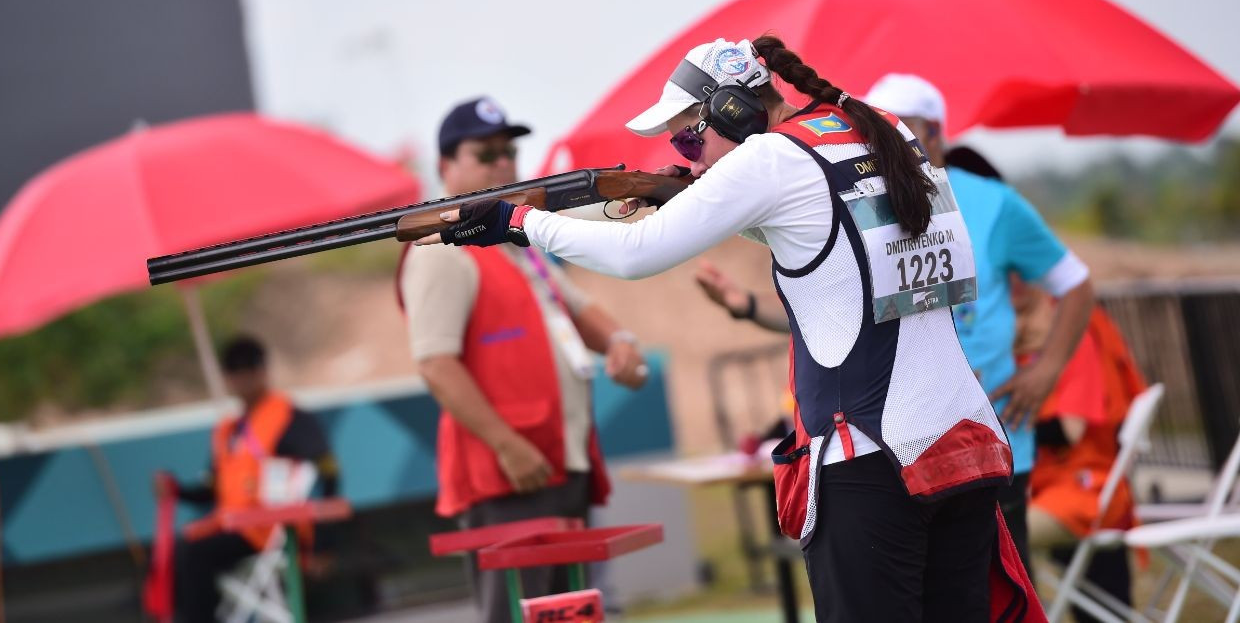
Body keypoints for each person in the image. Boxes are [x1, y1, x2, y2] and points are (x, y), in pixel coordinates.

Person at [421, 39, 1043, 622]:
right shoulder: (874, 129)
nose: (690, 158)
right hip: (963, 441)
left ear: (732, 112)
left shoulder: (772, 157)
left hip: (870, 458)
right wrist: (681, 196)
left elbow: (635, 254)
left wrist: (517, 222)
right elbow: (822, 232)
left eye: (689, 141)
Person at [396, 97, 649, 623]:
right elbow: (436, 364)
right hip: (511, 474)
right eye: (485, 154)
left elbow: (575, 308)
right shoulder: (439, 249)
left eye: (508, 152)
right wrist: (508, 447)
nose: (502, 163)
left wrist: (620, 340)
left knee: (569, 610)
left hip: (557, 463)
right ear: (445, 166)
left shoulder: (515, 237)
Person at [863, 75, 1096, 570]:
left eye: (901, 128)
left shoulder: (993, 203)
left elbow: (1075, 283)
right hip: (902, 442)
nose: (886, 142)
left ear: (935, 133)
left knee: (1003, 590)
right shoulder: (864, 207)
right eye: (875, 131)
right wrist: (750, 309)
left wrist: (1047, 369)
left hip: (991, 439)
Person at [157, 335, 340, 623]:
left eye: (249, 371)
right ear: (227, 379)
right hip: (233, 525)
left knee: (194, 553)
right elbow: (212, 489)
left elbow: (328, 474)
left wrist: (323, 544)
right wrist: (175, 490)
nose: (243, 380)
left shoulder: (291, 418)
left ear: (263, 371)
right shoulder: (229, 430)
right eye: (235, 373)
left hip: (273, 532)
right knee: (174, 552)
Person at [1013, 275, 1147, 622]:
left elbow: (1068, 430)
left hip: (1083, 490)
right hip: (1046, 488)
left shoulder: (1073, 337)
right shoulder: (1018, 348)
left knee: (998, 535)